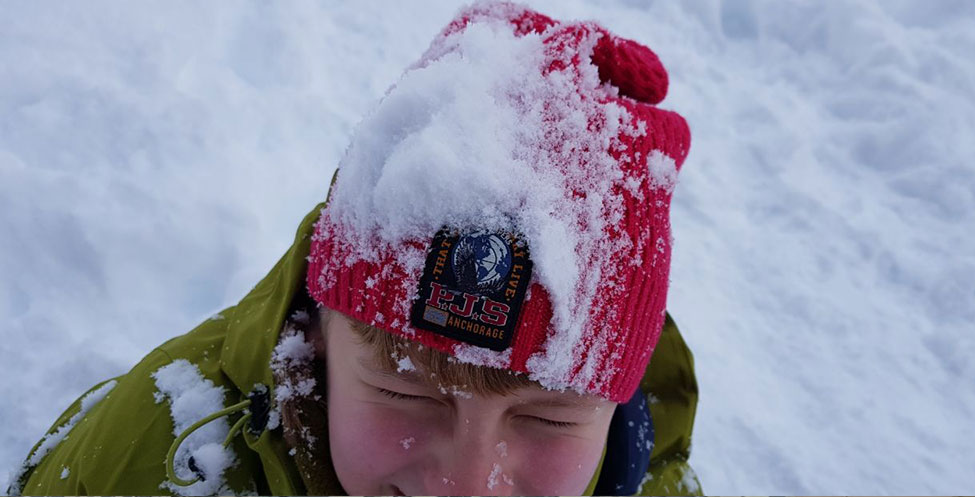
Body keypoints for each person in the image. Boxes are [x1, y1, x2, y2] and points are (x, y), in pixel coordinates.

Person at [8, 2, 700, 495]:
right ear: (316, 337)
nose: (461, 485)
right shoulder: (156, 461)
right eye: (406, 392)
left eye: (546, 416)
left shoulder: (653, 478)